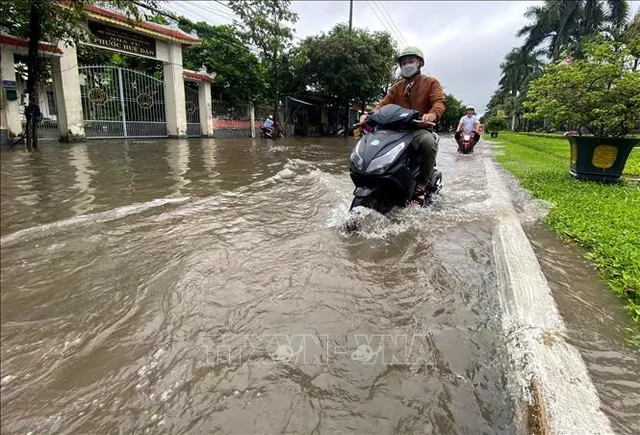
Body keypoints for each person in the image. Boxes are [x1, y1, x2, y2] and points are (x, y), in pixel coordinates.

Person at [359, 46, 445, 205]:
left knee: (428, 143)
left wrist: (432, 114)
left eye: (410, 61)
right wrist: (368, 114)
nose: (407, 65)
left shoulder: (431, 83)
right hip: (395, 131)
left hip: (417, 130)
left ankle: (422, 184)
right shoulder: (396, 87)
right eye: (403, 63)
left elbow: (439, 102)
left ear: (419, 63)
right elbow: (382, 105)